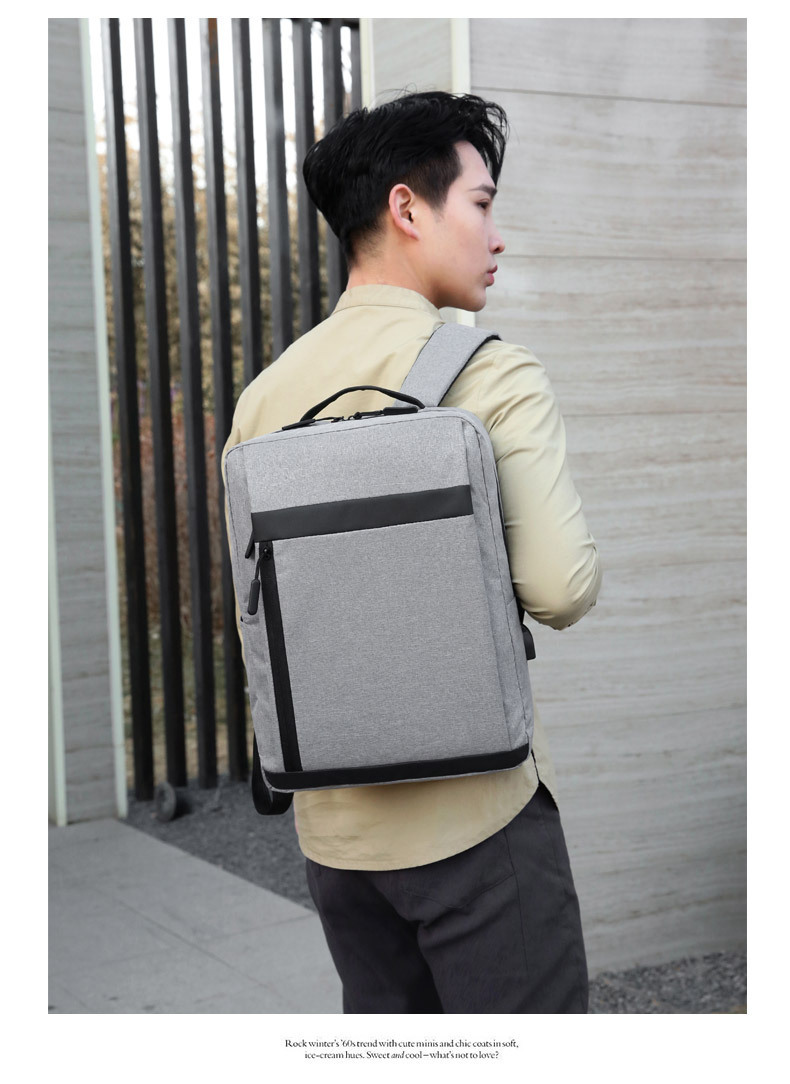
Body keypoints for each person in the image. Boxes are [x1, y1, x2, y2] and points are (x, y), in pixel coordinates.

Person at [222, 91, 601, 1014]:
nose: (496, 236)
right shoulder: (492, 373)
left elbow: (259, 620)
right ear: (406, 208)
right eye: (481, 203)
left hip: (336, 839)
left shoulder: (263, 399)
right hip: (479, 825)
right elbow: (561, 588)